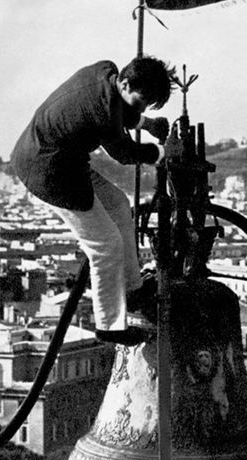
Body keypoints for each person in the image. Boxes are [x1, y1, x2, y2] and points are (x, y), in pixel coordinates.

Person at [10, 56, 175, 345]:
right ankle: (110, 326)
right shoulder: (104, 110)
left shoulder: (106, 71)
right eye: (142, 102)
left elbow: (121, 108)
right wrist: (161, 154)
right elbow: (124, 153)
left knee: (119, 205)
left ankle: (133, 288)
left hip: (65, 160)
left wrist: (146, 123)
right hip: (48, 171)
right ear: (124, 83)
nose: (142, 108)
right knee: (105, 246)